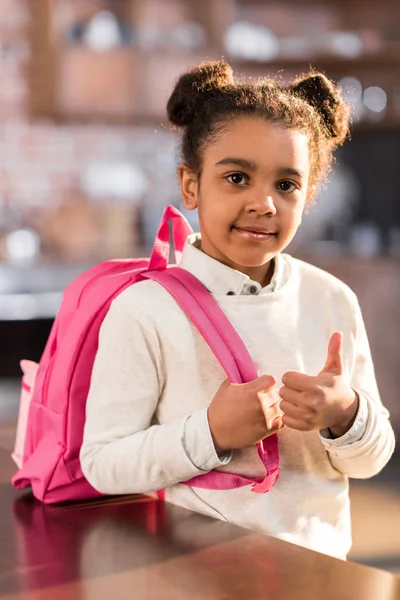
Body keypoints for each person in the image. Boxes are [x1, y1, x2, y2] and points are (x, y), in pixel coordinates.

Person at [80, 60, 395, 559]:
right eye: (236, 177)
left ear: (308, 193)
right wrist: (212, 433)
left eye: (287, 185)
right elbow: (102, 464)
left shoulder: (332, 299)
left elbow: (371, 460)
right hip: (194, 576)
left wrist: (346, 414)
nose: (264, 203)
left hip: (323, 577)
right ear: (190, 185)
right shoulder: (145, 310)